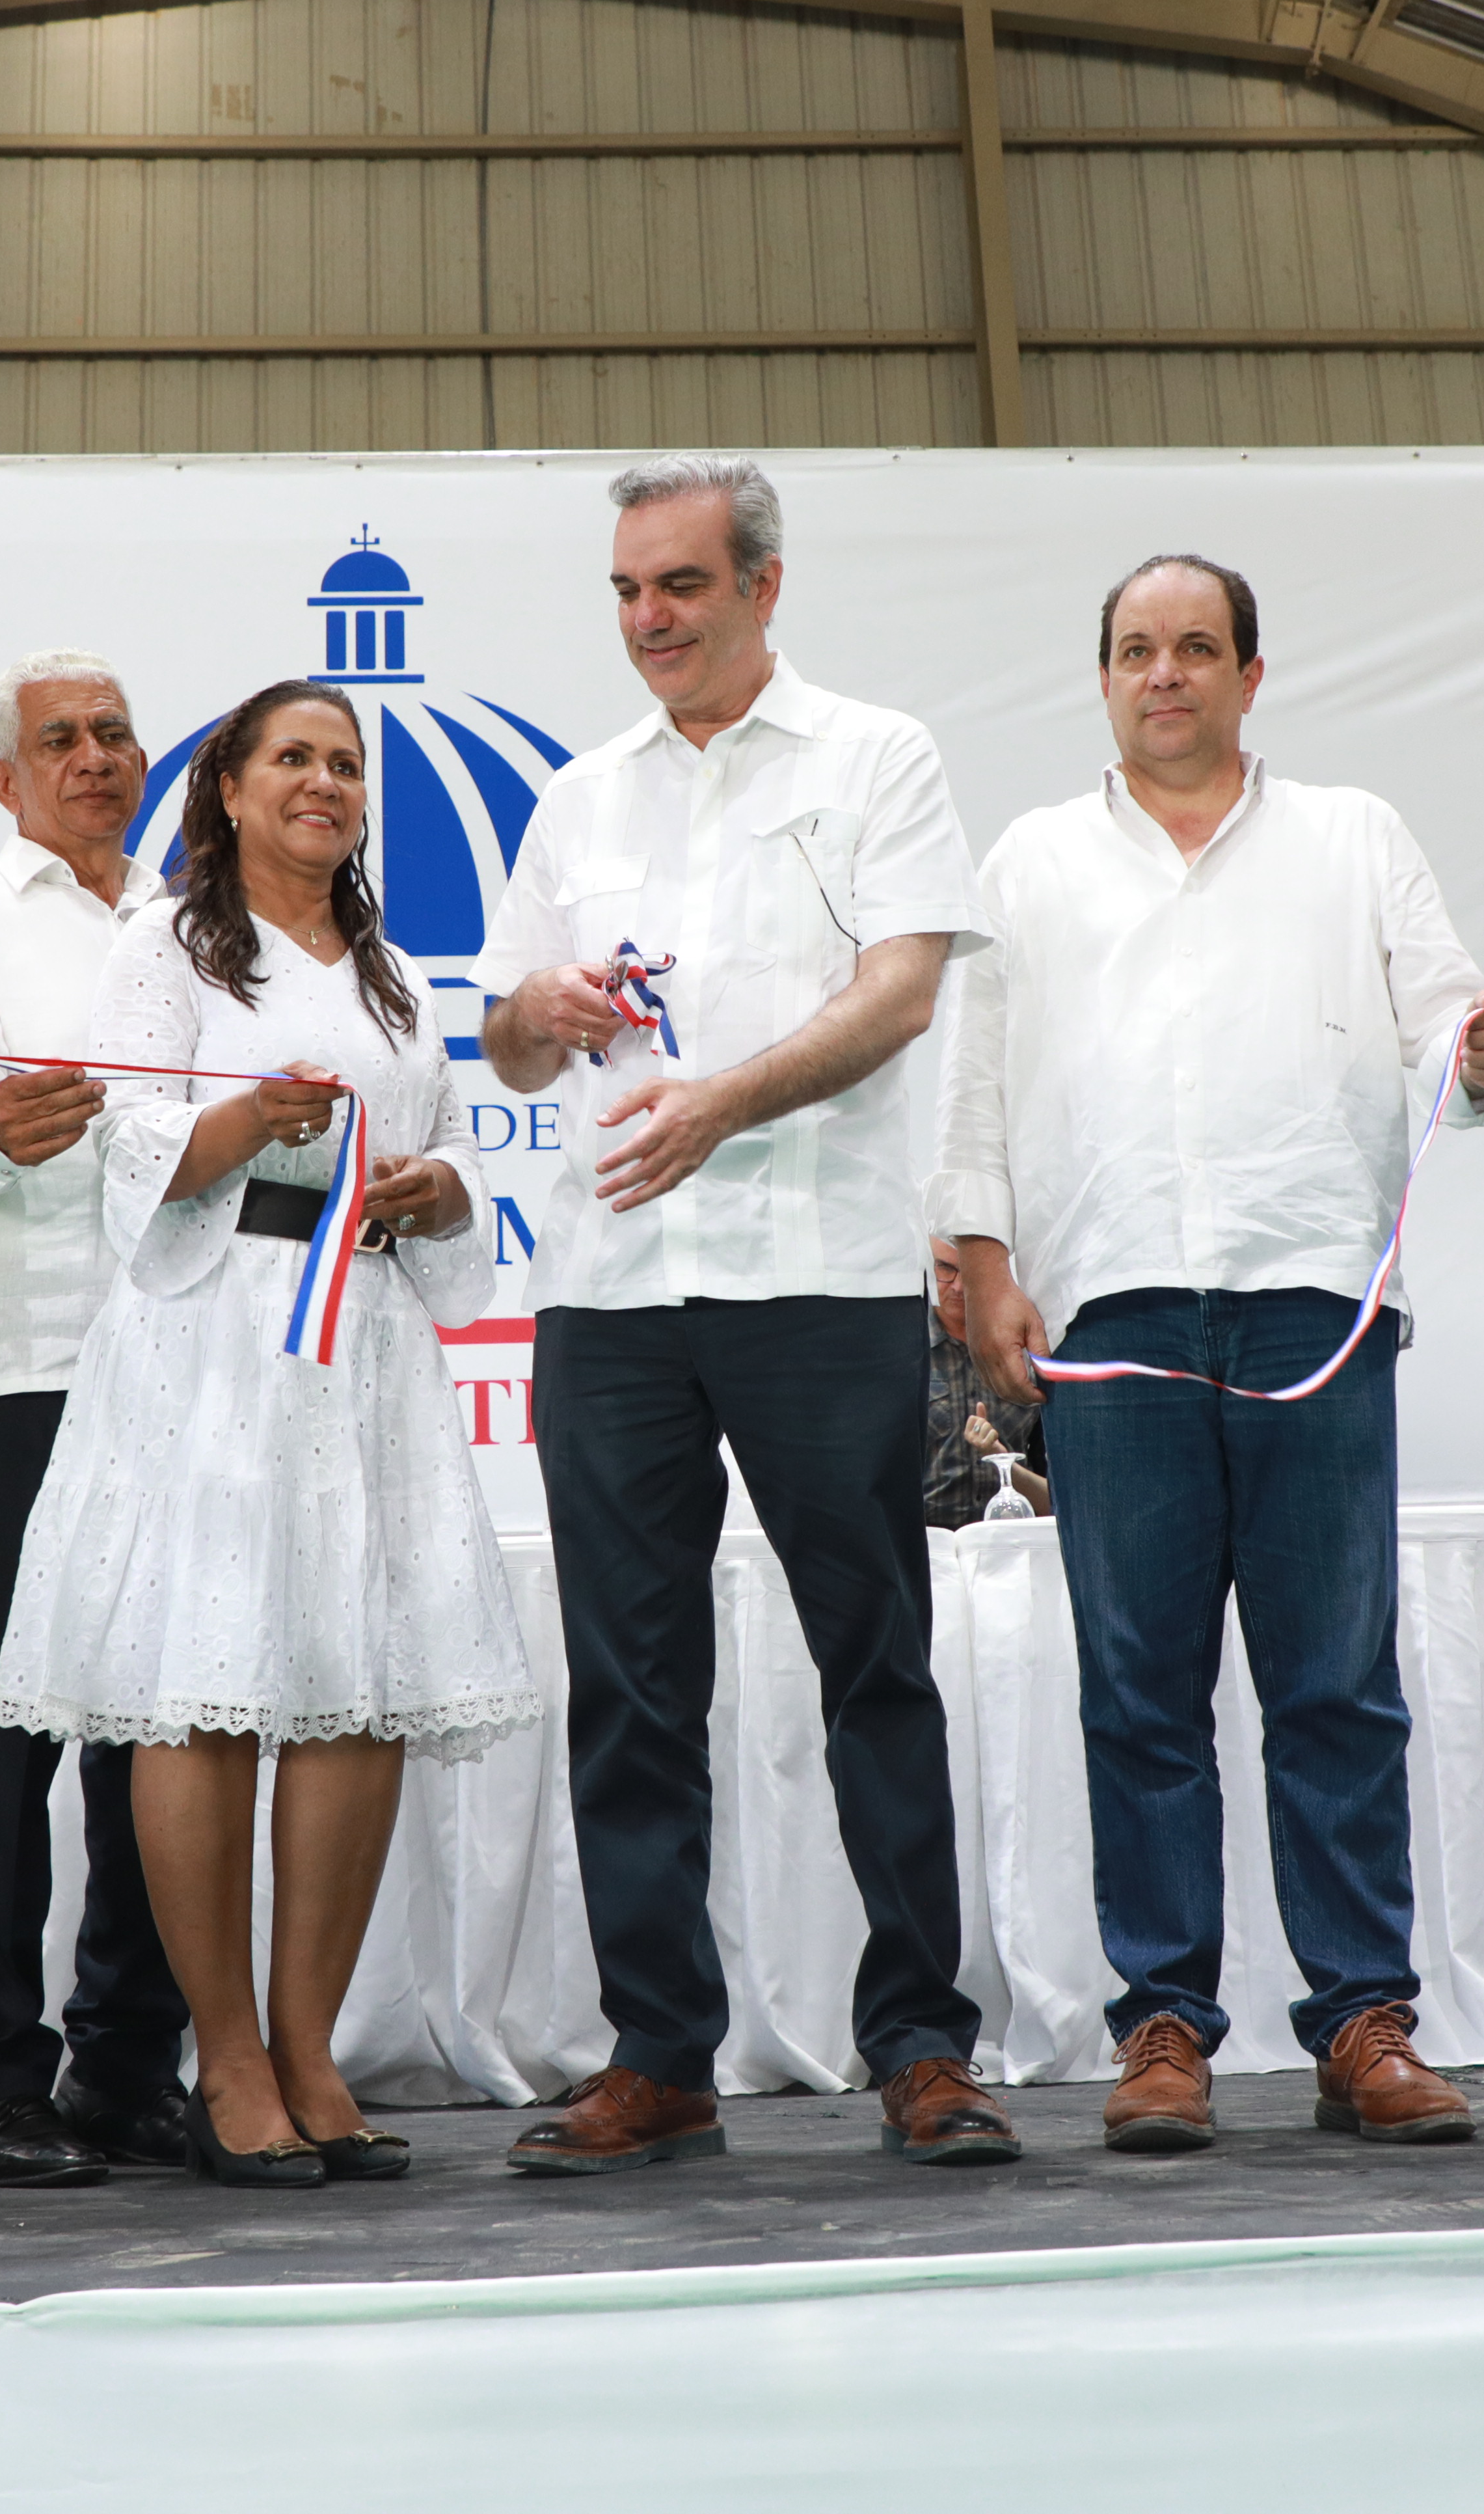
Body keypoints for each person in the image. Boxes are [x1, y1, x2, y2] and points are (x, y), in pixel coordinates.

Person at [939, 554, 1484, 2157]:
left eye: (1198, 647)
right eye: (1138, 649)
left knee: (1335, 1683)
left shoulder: (1353, 835)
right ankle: (1162, 2028)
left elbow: (1447, 1027)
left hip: (1312, 1293)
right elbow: (974, 1076)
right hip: (1113, 1304)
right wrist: (981, 1262)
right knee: (1139, 1690)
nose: (1167, 674)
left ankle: (1362, 2022)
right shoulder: (1033, 858)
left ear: (1250, 675)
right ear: (1105, 677)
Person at [476, 455, 1016, 2174]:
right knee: (629, 1683)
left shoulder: (876, 756)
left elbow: (903, 991)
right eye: (629, 590)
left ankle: (922, 2045)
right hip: (612, 1290)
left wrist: (722, 1101)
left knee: (875, 1666)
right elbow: (505, 1045)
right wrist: (538, 1009)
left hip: (819, 1276)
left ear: (764, 587)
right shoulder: (581, 797)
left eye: (683, 585)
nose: (650, 619)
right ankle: (659, 2053)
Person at [0, 683, 538, 2183]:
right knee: (204, 1687)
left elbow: (450, 1145)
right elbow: (135, 1147)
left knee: (358, 1689)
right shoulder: (163, 943)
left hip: (365, 1335)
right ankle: (225, 2057)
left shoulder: (394, 972)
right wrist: (243, 1124)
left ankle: (309, 2047)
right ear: (227, 789)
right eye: (293, 757)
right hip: (219, 1331)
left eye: (345, 763)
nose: (326, 781)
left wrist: (439, 1190)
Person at [0, 653, 195, 2189]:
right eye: (59, 739)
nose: (93, 757)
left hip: (179, 1364)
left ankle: (130, 2063)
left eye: (114, 734)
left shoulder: (194, 925)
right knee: (9, 1730)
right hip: (16, 1367)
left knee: (159, 1725)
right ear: (4, 780)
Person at [924, 1239, 1046, 1529]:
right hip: (928, 1542)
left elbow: (1060, 1496)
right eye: (945, 1269)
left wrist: (1000, 1458)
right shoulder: (905, 1351)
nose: (958, 1286)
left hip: (1015, 1536)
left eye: (970, 1272)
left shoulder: (1030, 1351)